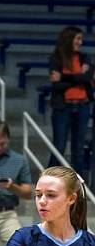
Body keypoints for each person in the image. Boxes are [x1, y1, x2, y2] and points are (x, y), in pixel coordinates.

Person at [48, 26, 93, 173]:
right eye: (78, 39)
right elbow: (57, 85)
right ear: (69, 39)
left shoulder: (85, 57)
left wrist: (64, 76)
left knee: (78, 151)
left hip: (82, 107)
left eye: (81, 39)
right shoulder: (56, 58)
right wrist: (78, 78)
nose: (80, 42)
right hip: (63, 107)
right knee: (59, 148)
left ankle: (78, 189)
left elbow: (87, 78)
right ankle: (48, 184)